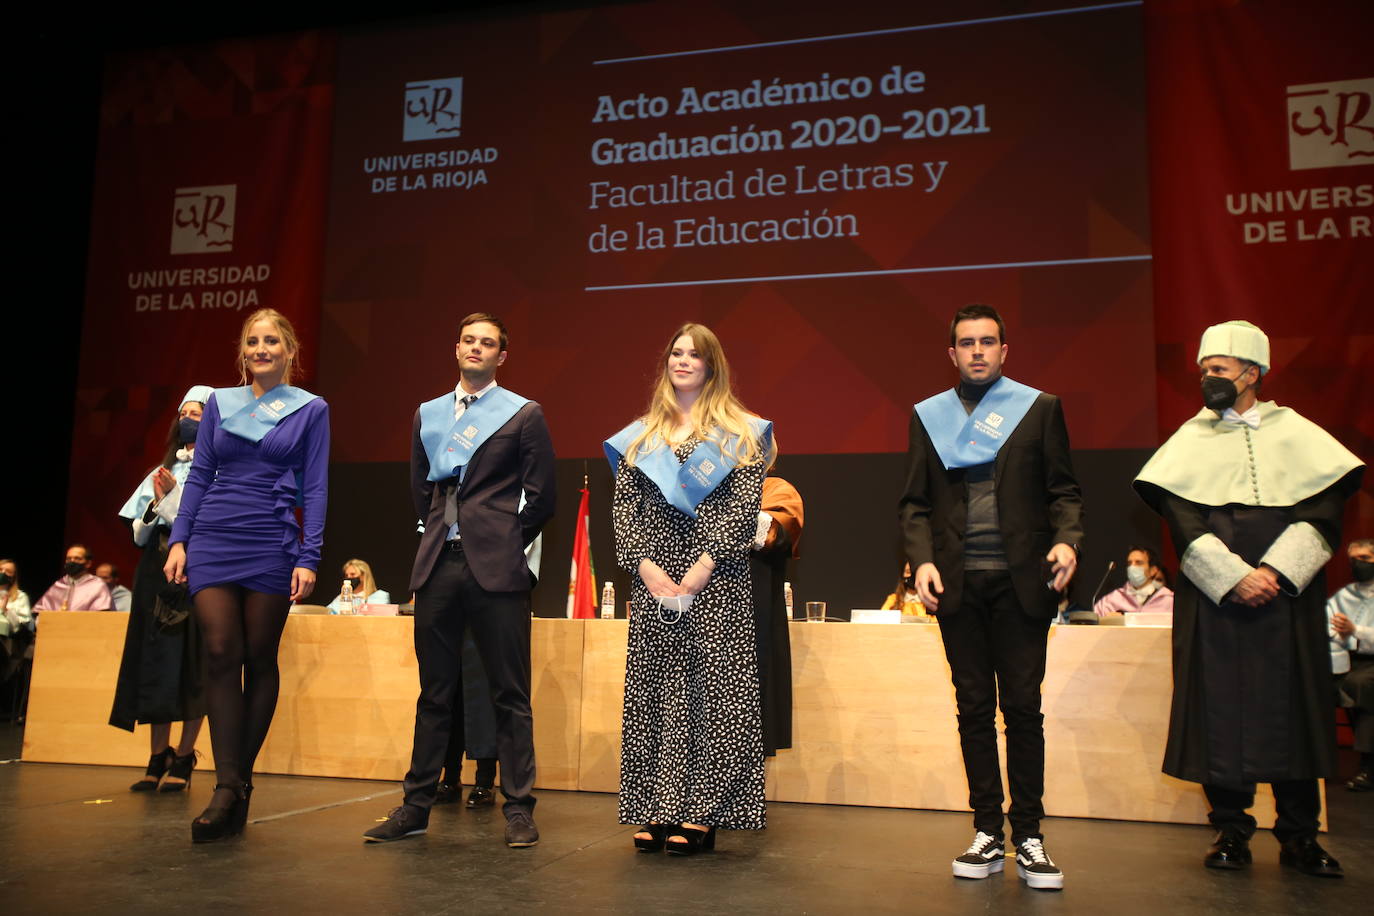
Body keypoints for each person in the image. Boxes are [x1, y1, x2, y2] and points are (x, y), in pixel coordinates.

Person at [1134, 319, 1363, 877]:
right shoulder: (1191, 438)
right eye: (1204, 371)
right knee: (1221, 710)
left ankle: (1299, 836)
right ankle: (1231, 830)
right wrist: (1231, 574)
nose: (1208, 380)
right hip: (1217, 598)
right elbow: (1181, 517)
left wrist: (1278, 571)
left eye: (1218, 370)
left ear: (1252, 373)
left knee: (1295, 709)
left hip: (1287, 598)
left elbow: (1323, 513)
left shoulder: (1298, 434)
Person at [899, 304, 1083, 890]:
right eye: (966, 343)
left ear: (1005, 350)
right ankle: (986, 831)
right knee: (974, 711)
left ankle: (1028, 835)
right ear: (951, 354)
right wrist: (922, 558)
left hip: (1022, 584)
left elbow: (1065, 493)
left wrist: (1069, 543)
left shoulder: (1039, 409)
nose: (977, 351)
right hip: (957, 585)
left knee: (1023, 710)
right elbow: (914, 504)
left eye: (988, 342)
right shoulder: (930, 417)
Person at [364, 312, 555, 847]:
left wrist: (502, 538)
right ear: (456, 349)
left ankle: (518, 807)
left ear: (501, 355)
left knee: (509, 693)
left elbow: (542, 497)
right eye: (469, 340)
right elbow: (421, 492)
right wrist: (436, 537)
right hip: (437, 565)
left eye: (487, 342)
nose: (476, 348)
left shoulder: (523, 414)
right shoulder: (427, 414)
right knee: (435, 693)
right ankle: (416, 805)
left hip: (496, 567)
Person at [605, 322, 774, 856]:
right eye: (676, 353)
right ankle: (657, 808)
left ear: (711, 366)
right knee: (659, 693)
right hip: (655, 580)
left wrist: (702, 568)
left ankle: (702, 813)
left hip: (716, 578)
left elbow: (743, 506)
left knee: (713, 696)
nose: (682, 361)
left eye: (694, 355)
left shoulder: (741, 433)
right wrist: (646, 568)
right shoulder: (641, 436)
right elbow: (624, 509)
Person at [165, 308, 330, 843]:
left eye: (272, 342)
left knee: (259, 658)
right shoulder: (219, 403)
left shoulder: (311, 410)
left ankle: (240, 782)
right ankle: (226, 784)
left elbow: (317, 487)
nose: (261, 349)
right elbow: (200, 475)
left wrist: (309, 556)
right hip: (214, 533)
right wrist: (180, 539)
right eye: (253, 342)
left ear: (289, 351)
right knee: (219, 651)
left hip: (272, 540)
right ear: (243, 352)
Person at [111, 386, 212, 793]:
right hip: (156, 569)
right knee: (156, 660)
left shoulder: (221, 473)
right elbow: (138, 535)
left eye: (200, 413)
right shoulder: (160, 471)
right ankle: (158, 754)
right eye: (185, 412)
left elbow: (203, 521)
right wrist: (157, 503)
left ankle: (185, 756)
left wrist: (173, 500)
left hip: (199, 568)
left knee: (193, 663)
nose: (191, 419)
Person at [750, 475, 803, 756]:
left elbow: (777, 530)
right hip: (701, 615)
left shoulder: (775, 489)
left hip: (751, 618)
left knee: (746, 713)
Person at [1328, 538, 1374, 792]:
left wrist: (1355, 631)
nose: (1358, 564)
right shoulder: (1346, 595)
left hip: (1370, 661)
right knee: (1319, 684)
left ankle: (1369, 766)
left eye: (1365, 559)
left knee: (1362, 685)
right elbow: (1328, 626)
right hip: (1347, 659)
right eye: (1354, 559)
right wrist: (1340, 635)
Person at [1093, 546, 1174, 616]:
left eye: (1138, 563)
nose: (1132, 567)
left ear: (1153, 570)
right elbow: (1093, 624)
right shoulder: (1111, 600)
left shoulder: (1168, 600)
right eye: (1129, 563)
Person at [34, 544, 114, 612]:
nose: (72, 561)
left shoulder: (98, 586)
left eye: (77, 558)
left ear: (88, 563)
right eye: (69, 559)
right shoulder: (59, 584)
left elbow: (102, 615)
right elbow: (40, 612)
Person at [325, 558, 391, 613]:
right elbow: (327, 613)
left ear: (364, 576)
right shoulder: (341, 598)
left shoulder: (379, 596)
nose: (349, 577)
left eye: (352, 574)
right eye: (346, 575)